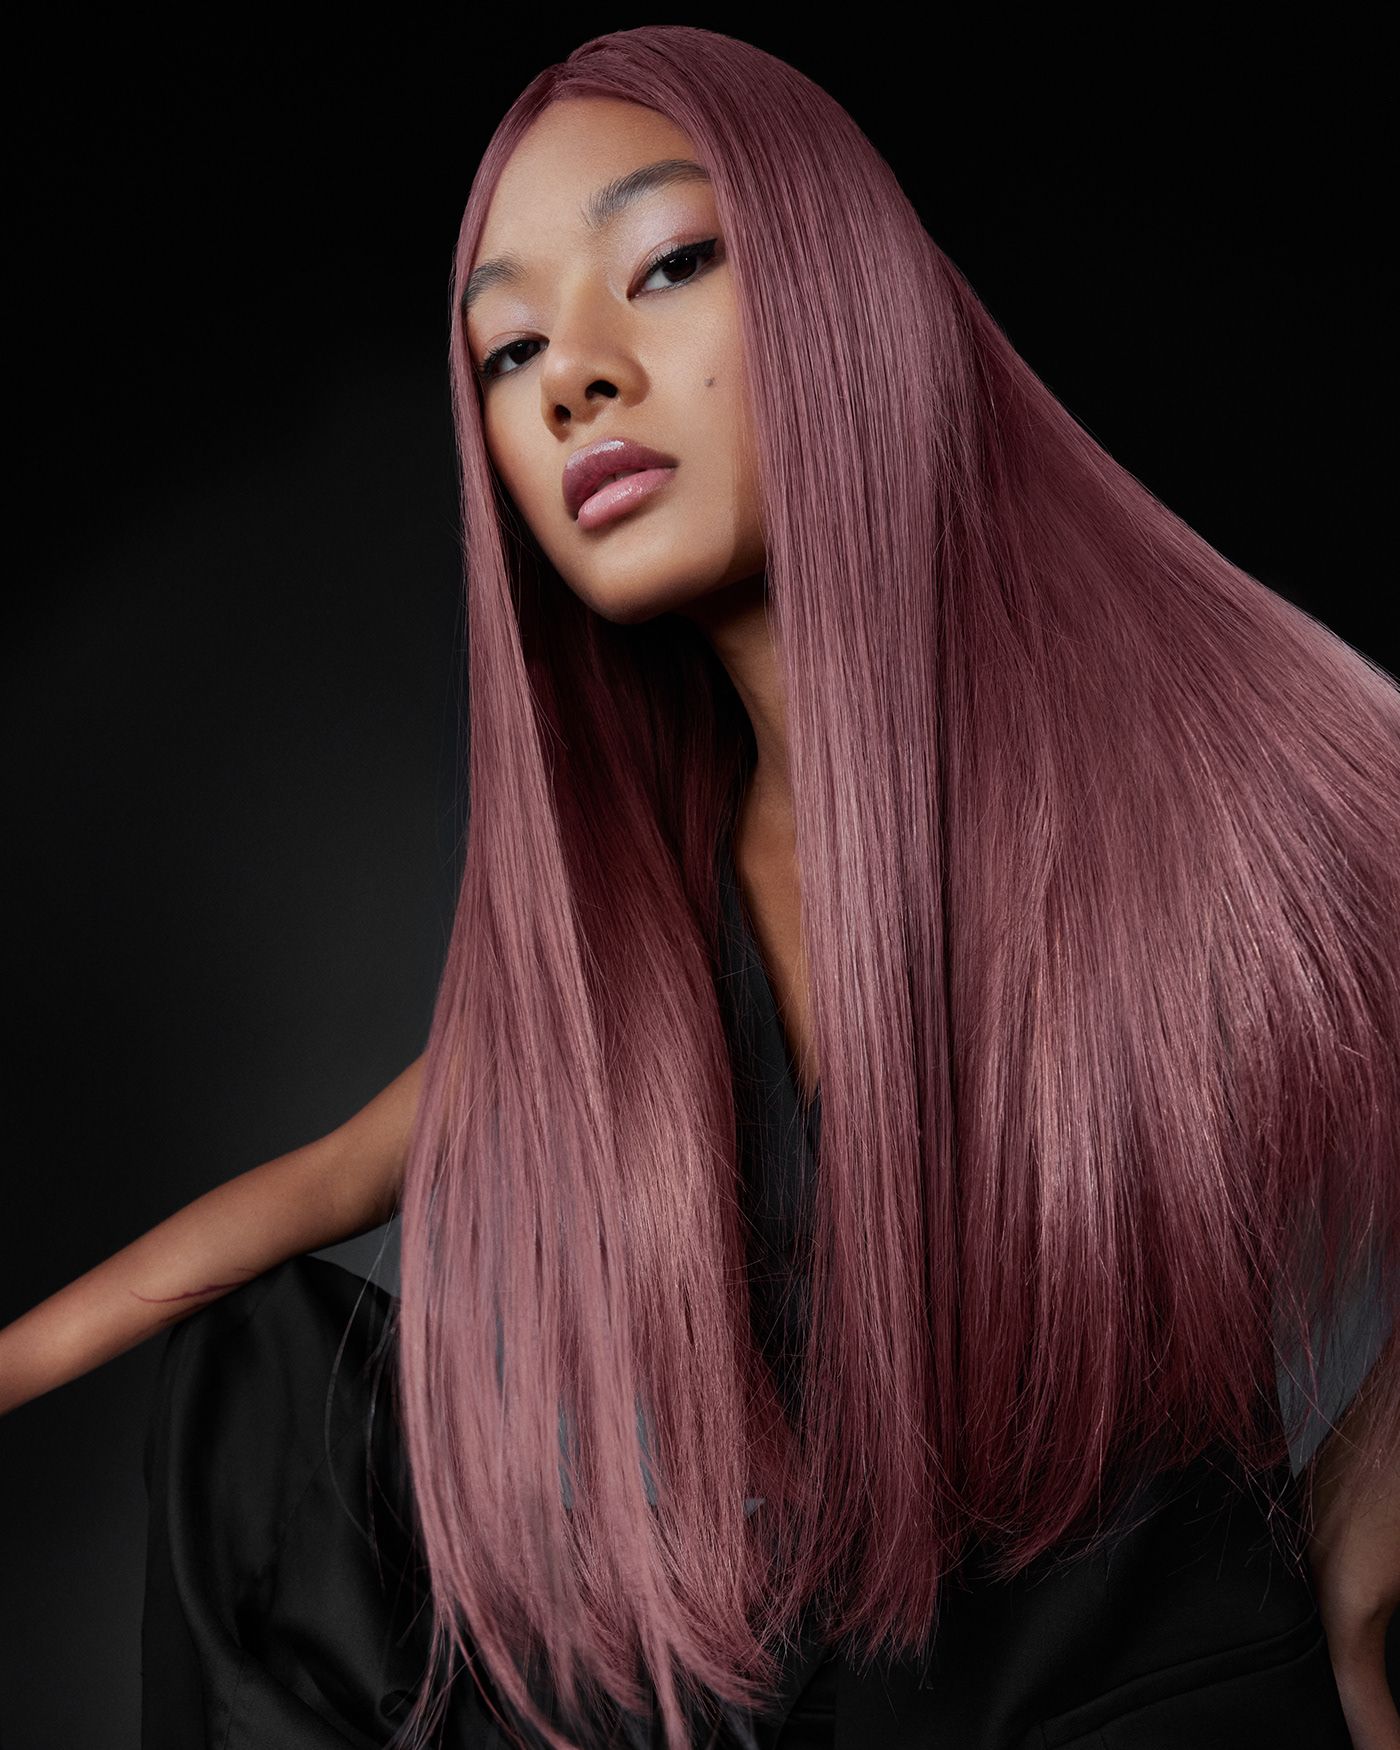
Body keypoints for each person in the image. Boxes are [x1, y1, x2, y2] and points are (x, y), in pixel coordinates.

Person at [3, 24, 1398, 1750]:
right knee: (257, 1391)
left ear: (836, 284)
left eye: (665, 263)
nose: (573, 382)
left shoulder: (1169, 769)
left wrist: (1362, 1532)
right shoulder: (657, 916)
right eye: (510, 348)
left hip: (1148, 1697)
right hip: (826, 1692)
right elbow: (327, 1184)